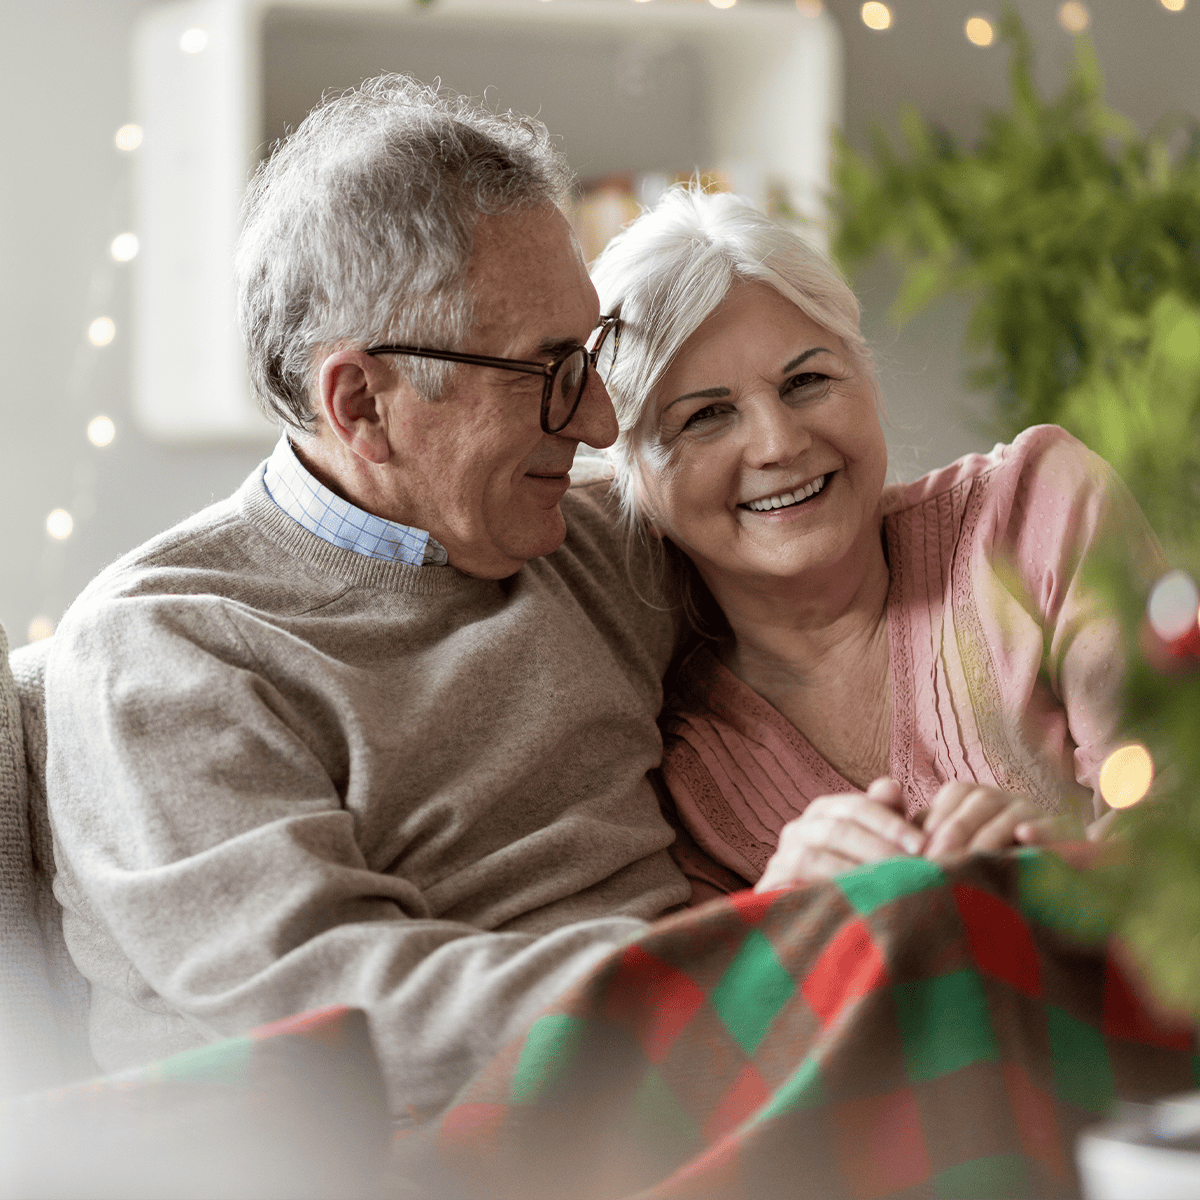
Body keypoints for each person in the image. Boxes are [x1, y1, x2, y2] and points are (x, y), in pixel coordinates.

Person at [43, 75, 691, 1128]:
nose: (605, 423)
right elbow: (343, 1021)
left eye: (594, 351)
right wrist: (730, 974)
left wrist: (1038, 490)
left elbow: (873, 541)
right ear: (363, 406)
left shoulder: (594, 546)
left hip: (690, 1081)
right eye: (551, 370)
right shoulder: (167, 650)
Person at [589, 186, 1166, 902]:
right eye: (706, 416)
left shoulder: (1034, 514)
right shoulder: (677, 770)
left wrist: (1052, 877)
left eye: (806, 381)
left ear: (867, 381)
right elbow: (720, 1004)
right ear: (636, 489)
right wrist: (783, 911)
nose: (778, 442)